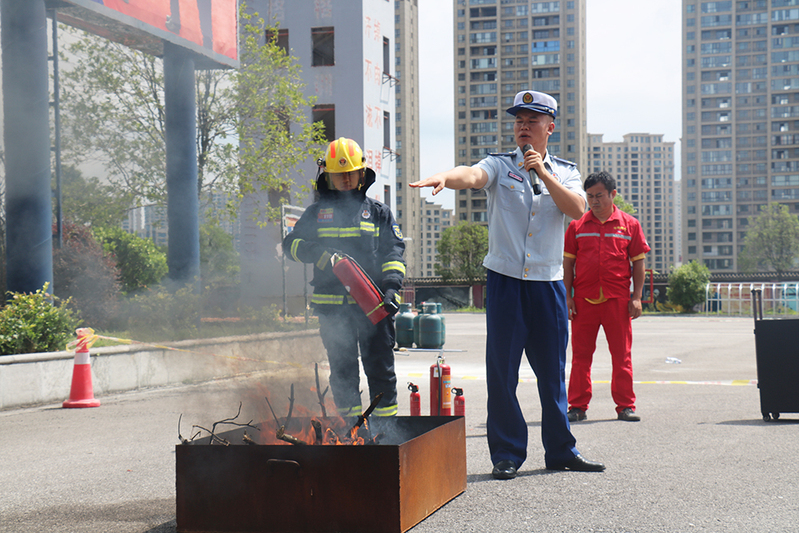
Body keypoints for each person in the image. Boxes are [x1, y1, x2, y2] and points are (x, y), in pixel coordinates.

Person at [410, 91, 605, 479]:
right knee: (503, 373)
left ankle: (561, 450)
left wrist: (543, 173)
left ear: (549, 127)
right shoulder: (500, 165)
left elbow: (578, 210)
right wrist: (445, 178)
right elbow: (473, 174)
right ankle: (507, 453)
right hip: (505, 283)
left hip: (547, 286)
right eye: (518, 120)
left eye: (532, 121)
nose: (523, 127)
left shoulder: (565, 172)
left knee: (552, 373)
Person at [282, 137, 406, 418]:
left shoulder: (378, 213)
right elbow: (291, 246)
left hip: (374, 308)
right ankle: (350, 431)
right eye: (339, 175)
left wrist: (391, 290)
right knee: (342, 372)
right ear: (328, 176)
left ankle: (384, 433)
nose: (346, 180)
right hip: (332, 311)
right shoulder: (316, 214)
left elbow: (394, 255)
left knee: (381, 371)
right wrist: (319, 253)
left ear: (362, 174)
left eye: (350, 173)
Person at [563, 171, 650, 423]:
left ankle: (625, 406)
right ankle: (577, 406)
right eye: (589, 196)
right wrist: (567, 297)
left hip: (617, 301)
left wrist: (636, 297)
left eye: (599, 195)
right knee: (580, 357)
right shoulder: (576, 226)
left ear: (613, 194)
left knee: (621, 355)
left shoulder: (630, 225)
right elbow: (568, 266)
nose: (594, 201)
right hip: (583, 302)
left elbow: (638, 264)